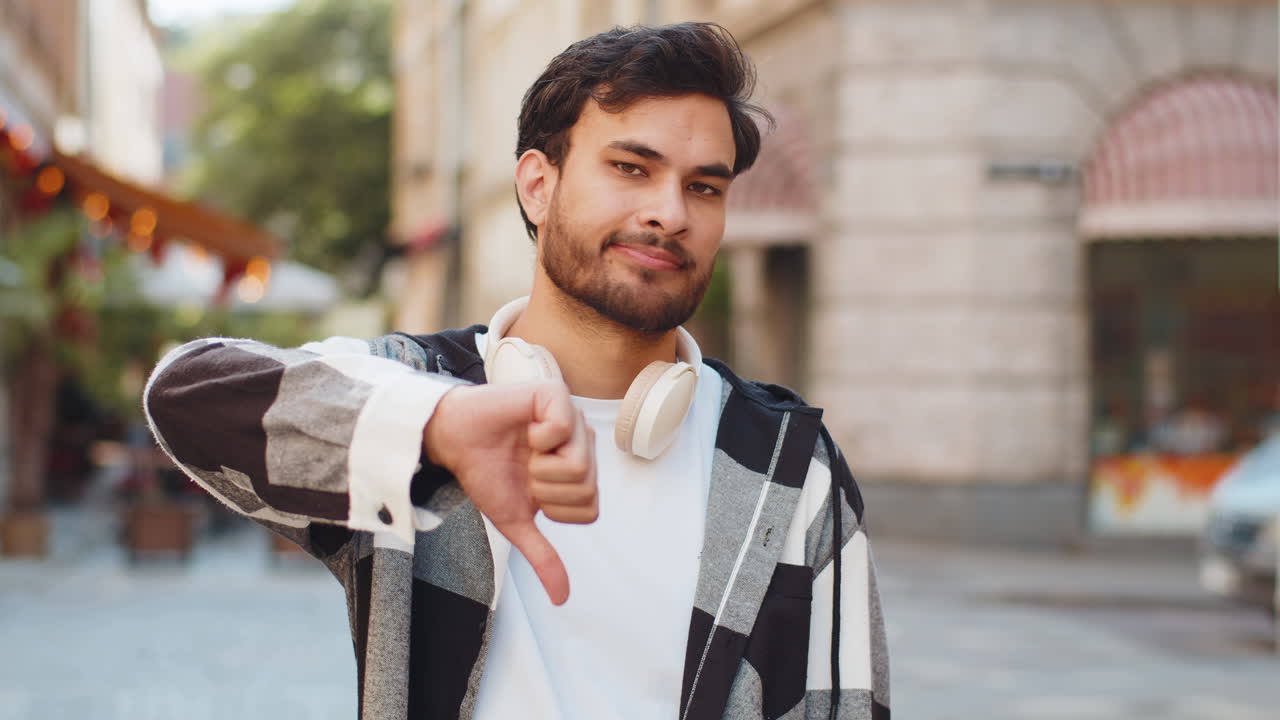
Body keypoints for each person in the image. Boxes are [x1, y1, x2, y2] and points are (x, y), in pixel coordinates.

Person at [145, 23, 889, 720]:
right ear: (538, 184)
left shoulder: (791, 468)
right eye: (631, 168)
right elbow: (187, 395)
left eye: (704, 187)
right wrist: (438, 427)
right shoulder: (412, 394)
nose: (670, 212)